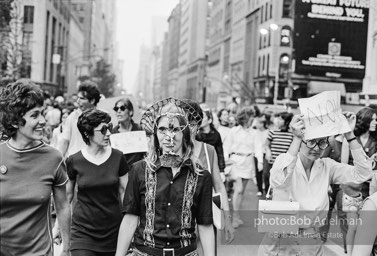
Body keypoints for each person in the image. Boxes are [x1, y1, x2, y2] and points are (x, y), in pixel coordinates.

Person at [258, 113, 373, 256]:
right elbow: (280, 181)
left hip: (311, 239)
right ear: (301, 140)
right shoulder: (285, 161)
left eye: (322, 142)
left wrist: (349, 134)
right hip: (281, 237)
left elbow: (364, 173)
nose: (317, 148)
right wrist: (296, 138)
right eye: (311, 141)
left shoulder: (327, 166)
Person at [115, 98, 215, 256]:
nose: (169, 136)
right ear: (155, 135)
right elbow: (130, 220)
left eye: (175, 129)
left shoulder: (201, 176)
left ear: (185, 134)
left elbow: (205, 225)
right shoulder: (139, 170)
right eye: (162, 130)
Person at [0, 79, 71, 255]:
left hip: (39, 252)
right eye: (34, 115)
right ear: (15, 121)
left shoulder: (53, 158)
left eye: (42, 113)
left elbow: (62, 206)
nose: (43, 120)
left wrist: (67, 247)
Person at [66, 109, 129, 256]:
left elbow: (125, 193)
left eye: (109, 127)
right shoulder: (74, 160)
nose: (108, 133)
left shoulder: (118, 157)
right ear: (87, 133)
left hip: (113, 231)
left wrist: (130, 227)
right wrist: (58, 228)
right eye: (103, 129)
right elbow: (67, 196)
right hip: (82, 232)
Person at [185, 100, 235, 244]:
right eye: (183, 122)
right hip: (178, 224)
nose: (188, 127)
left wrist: (227, 219)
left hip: (205, 218)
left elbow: (219, 187)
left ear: (199, 123)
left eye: (192, 122)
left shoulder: (208, 150)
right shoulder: (171, 152)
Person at [223, 106, 258, 228]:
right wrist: (226, 160)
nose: (253, 119)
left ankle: (236, 215)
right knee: (237, 190)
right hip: (235, 161)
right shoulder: (234, 131)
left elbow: (258, 148)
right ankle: (235, 217)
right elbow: (226, 146)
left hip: (248, 163)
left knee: (241, 191)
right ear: (245, 118)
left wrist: (259, 164)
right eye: (251, 117)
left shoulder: (254, 132)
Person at [58, 80, 101, 157]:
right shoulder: (72, 117)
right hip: (74, 162)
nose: (78, 101)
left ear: (92, 100)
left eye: (82, 98)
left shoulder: (102, 117)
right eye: (78, 98)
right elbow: (65, 141)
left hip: (94, 162)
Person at [264, 112, 293, 195]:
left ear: (286, 122)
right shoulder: (273, 132)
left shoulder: (291, 134)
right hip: (271, 161)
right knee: (267, 178)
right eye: (278, 118)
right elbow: (266, 145)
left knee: (280, 183)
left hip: (283, 164)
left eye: (281, 119)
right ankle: (268, 196)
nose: (278, 121)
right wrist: (268, 151)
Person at [111, 98, 145, 166]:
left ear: (130, 112)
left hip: (139, 171)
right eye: (116, 108)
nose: (118, 111)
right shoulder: (112, 133)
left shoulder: (140, 129)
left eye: (122, 108)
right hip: (121, 173)